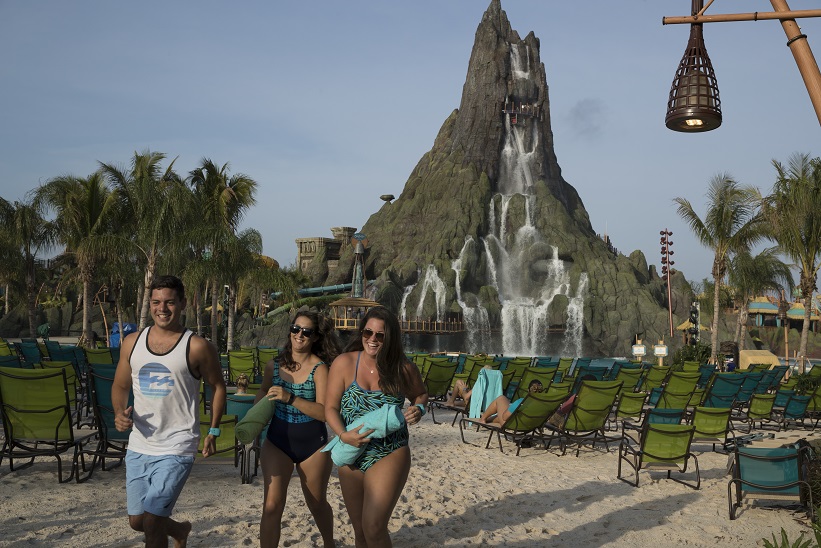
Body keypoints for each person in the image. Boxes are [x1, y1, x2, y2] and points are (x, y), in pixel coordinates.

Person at [112, 275, 226, 548]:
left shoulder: (197, 346)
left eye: (170, 302)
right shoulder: (132, 342)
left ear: (182, 304)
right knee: (138, 520)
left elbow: (218, 386)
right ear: (149, 304)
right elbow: (119, 385)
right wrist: (118, 412)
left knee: (151, 521)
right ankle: (180, 530)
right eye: (156, 302)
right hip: (140, 443)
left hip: (177, 444)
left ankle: (168, 529)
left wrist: (213, 430)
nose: (162, 308)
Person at [325, 306, 428, 547]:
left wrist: (419, 409)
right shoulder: (343, 363)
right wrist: (343, 434)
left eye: (380, 335)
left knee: (374, 527)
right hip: (352, 451)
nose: (372, 339)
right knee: (360, 532)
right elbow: (329, 408)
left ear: (390, 337)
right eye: (367, 333)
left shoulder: (403, 368)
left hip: (390, 450)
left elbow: (421, 394)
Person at [255, 311, 341, 548]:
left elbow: (324, 412)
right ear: (290, 330)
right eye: (296, 329)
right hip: (277, 441)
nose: (299, 335)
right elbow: (263, 390)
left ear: (315, 337)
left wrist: (290, 398)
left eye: (306, 331)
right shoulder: (273, 365)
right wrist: (255, 416)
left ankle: (328, 543)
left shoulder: (320, 368)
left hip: (312, 445)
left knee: (316, 502)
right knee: (271, 505)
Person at [478, 379, 543, 425]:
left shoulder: (521, 402)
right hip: (527, 426)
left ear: (528, 390)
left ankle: (483, 418)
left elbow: (505, 417)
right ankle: (488, 419)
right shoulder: (542, 405)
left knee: (501, 398)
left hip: (512, 425)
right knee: (506, 411)